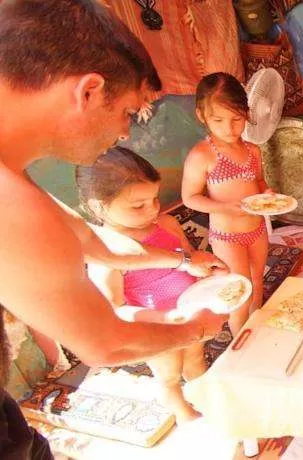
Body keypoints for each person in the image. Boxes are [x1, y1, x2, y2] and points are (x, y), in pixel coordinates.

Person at [0, 1, 227, 457]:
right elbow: (105, 344)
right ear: (88, 92)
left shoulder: (15, 178)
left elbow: (96, 245)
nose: (125, 134)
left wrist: (183, 260)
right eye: (128, 112)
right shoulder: (14, 205)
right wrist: (197, 329)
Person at [78, 147, 221, 424]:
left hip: (190, 314)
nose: (153, 209)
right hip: (155, 327)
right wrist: (164, 318)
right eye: (138, 205)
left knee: (195, 357)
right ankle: (184, 414)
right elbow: (115, 309)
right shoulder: (106, 253)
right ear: (98, 206)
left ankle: (207, 398)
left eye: (155, 198)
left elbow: (190, 258)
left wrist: (211, 275)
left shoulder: (167, 224)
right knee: (169, 374)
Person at [182, 73, 271, 336]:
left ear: (247, 113)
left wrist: (267, 193)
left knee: (257, 281)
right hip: (227, 236)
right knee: (240, 290)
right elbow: (190, 197)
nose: (229, 128)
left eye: (236, 119)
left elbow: (259, 181)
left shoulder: (253, 150)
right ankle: (239, 342)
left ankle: (257, 329)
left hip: (257, 230)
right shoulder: (202, 155)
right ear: (202, 116)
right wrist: (225, 207)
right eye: (218, 120)